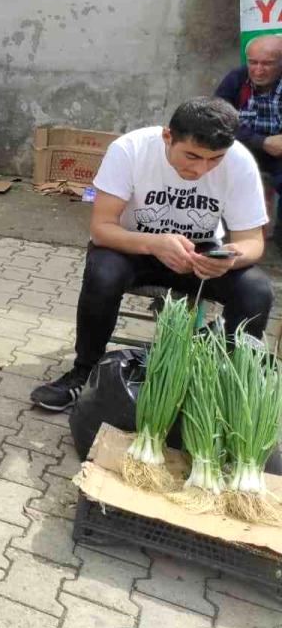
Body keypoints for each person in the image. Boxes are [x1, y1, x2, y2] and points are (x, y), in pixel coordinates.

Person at [31, 97, 274, 413]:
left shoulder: (239, 162)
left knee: (256, 290)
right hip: (134, 247)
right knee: (102, 272)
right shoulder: (130, 150)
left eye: (214, 159)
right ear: (167, 137)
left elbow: (252, 242)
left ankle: (221, 388)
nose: (201, 169)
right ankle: (85, 371)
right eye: (192, 156)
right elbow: (102, 228)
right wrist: (154, 243)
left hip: (200, 256)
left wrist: (229, 256)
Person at [215, 34, 282, 194]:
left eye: (267, 64)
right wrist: (261, 141)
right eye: (253, 62)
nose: (258, 70)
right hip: (244, 147)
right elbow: (216, 118)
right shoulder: (238, 77)